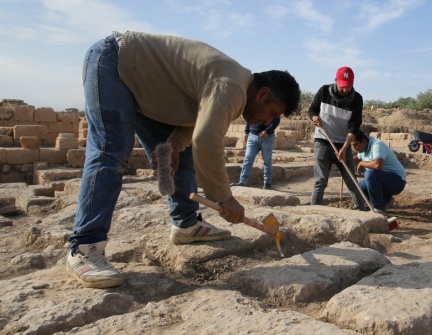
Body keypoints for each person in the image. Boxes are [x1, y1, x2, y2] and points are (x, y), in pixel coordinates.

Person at [66, 31, 301, 288]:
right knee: (111, 151)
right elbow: (206, 139)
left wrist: (175, 142)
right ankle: (84, 247)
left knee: (180, 154)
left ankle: (186, 224)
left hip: (147, 88)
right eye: (272, 113)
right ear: (262, 93)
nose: (268, 122)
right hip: (117, 63)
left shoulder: (236, 86)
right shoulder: (233, 87)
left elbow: (195, 120)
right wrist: (224, 198)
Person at [308, 66, 368, 210]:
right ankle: (314, 209)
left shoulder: (357, 99)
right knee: (320, 180)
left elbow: (354, 126)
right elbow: (312, 110)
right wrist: (314, 117)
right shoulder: (324, 91)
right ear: (336, 81)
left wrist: (345, 147)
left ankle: (360, 208)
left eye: (348, 86)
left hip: (343, 143)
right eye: (343, 86)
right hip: (323, 141)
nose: (346, 90)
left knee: (351, 179)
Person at [351, 130, 407, 216]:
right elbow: (356, 159)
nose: (354, 148)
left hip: (397, 181)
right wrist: (344, 159)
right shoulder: (362, 149)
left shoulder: (377, 145)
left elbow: (377, 165)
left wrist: (362, 163)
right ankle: (385, 200)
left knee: (370, 174)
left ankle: (379, 209)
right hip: (383, 180)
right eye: (352, 145)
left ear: (364, 141)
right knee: (355, 189)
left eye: (356, 144)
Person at [231, 117, 280, 189]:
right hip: (252, 136)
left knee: (267, 161)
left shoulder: (272, 106)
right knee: (248, 158)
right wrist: (246, 132)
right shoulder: (254, 105)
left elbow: (276, 119)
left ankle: (267, 183)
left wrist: (267, 131)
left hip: (267, 137)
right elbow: (250, 116)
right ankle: (243, 181)